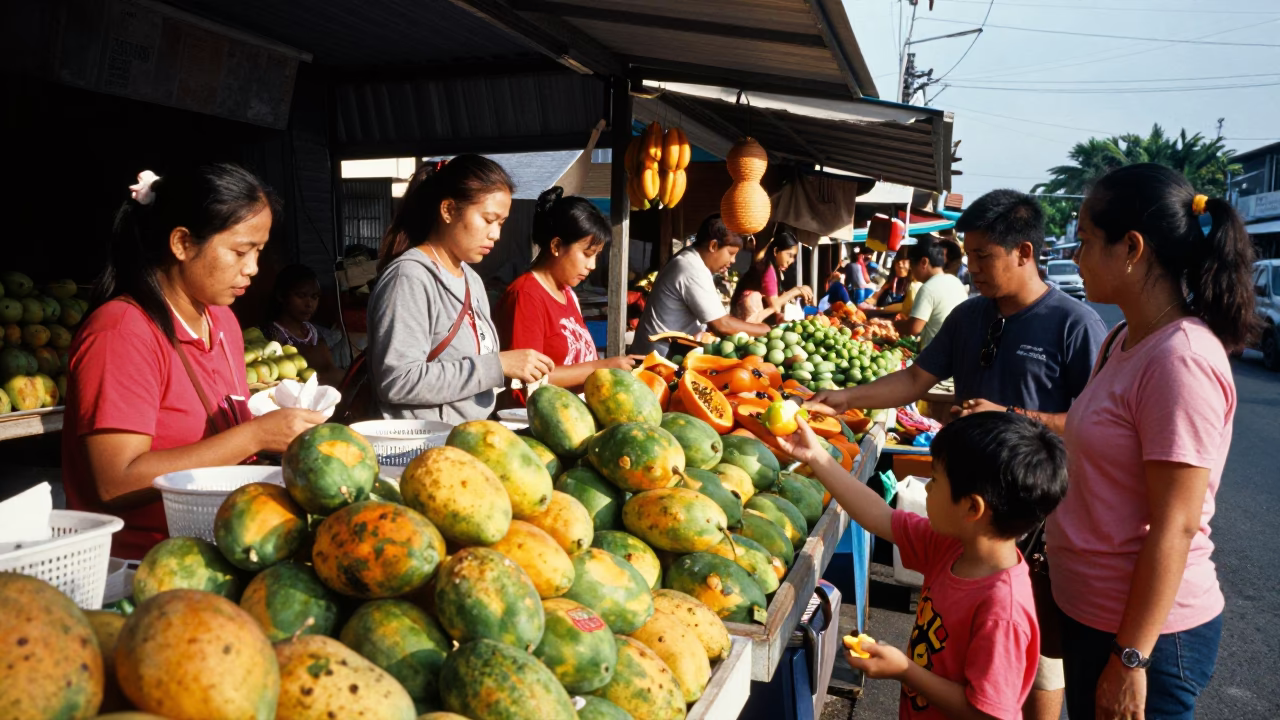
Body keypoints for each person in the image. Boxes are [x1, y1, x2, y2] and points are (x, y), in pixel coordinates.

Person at [811, 190, 1107, 720]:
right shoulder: (971, 316)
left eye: (983, 258)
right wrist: (843, 399)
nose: (972, 270)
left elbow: (1095, 426)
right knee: (963, 635)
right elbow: (914, 379)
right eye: (967, 257)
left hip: (1036, 515)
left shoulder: (1074, 325)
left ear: (1024, 252)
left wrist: (1014, 415)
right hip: (977, 506)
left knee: (1037, 654)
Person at [1045, 164, 1253, 720]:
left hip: (1145, 637)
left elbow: (1176, 524)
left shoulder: (1179, 359)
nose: (1076, 258)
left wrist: (1132, 658)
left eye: (1087, 242)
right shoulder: (1120, 339)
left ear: (1131, 248)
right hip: (1096, 616)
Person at [63, 165, 324, 559]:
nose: (253, 268)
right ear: (182, 243)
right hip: (144, 565)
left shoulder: (222, 321)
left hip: (222, 547)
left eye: (259, 251)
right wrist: (255, 436)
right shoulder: (121, 332)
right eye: (240, 251)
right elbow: (115, 482)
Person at [779, 411, 1069, 720]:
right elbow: (880, 516)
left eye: (934, 479)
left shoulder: (1003, 612)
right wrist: (817, 456)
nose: (927, 489)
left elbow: (988, 713)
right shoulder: (954, 546)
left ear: (972, 507)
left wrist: (905, 670)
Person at [368, 156, 554, 423]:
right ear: (448, 210)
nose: (496, 234)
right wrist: (498, 365)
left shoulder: (472, 280)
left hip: (469, 439)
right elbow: (397, 380)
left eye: (500, 223)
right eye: (489, 219)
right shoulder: (409, 277)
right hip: (422, 447)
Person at [496, 187, 638, 399]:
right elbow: (524, 381)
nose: (592, 265)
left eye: (597, 256)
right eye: (587, 254)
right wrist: (602, 366)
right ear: (556, 246)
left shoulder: (568, 293)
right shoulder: (526, 295)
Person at [630, 214, 770, 357]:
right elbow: (722, 325)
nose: (733, 260)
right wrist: (765, 330)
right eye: (731, 253)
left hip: (667, 353)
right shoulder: (691, 268)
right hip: (656, 360)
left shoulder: (691, 259)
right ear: (713, 245)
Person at [264, 263, 343, 386]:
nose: (309, 304)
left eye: (314, 297)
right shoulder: (272, 334)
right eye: (301, 296)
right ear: (281, 296)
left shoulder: (314, 332)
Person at [899, 236, 970, 349]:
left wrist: (894, 324)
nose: (911, 271)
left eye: (912, 266)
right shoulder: (956, 282)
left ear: (924, 262)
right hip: (957, 351)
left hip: (936, 356)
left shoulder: (928, 288)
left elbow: (913, 328)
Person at [731, 230, 813, 323]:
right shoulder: (767, 269)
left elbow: (773, 304)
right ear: (776, 251)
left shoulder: (770, 268)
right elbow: (774, 305)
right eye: (789, 255)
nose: (792, 261)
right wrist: (796, 291)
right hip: (746, 322)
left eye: (794, 257)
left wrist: (779, 315)